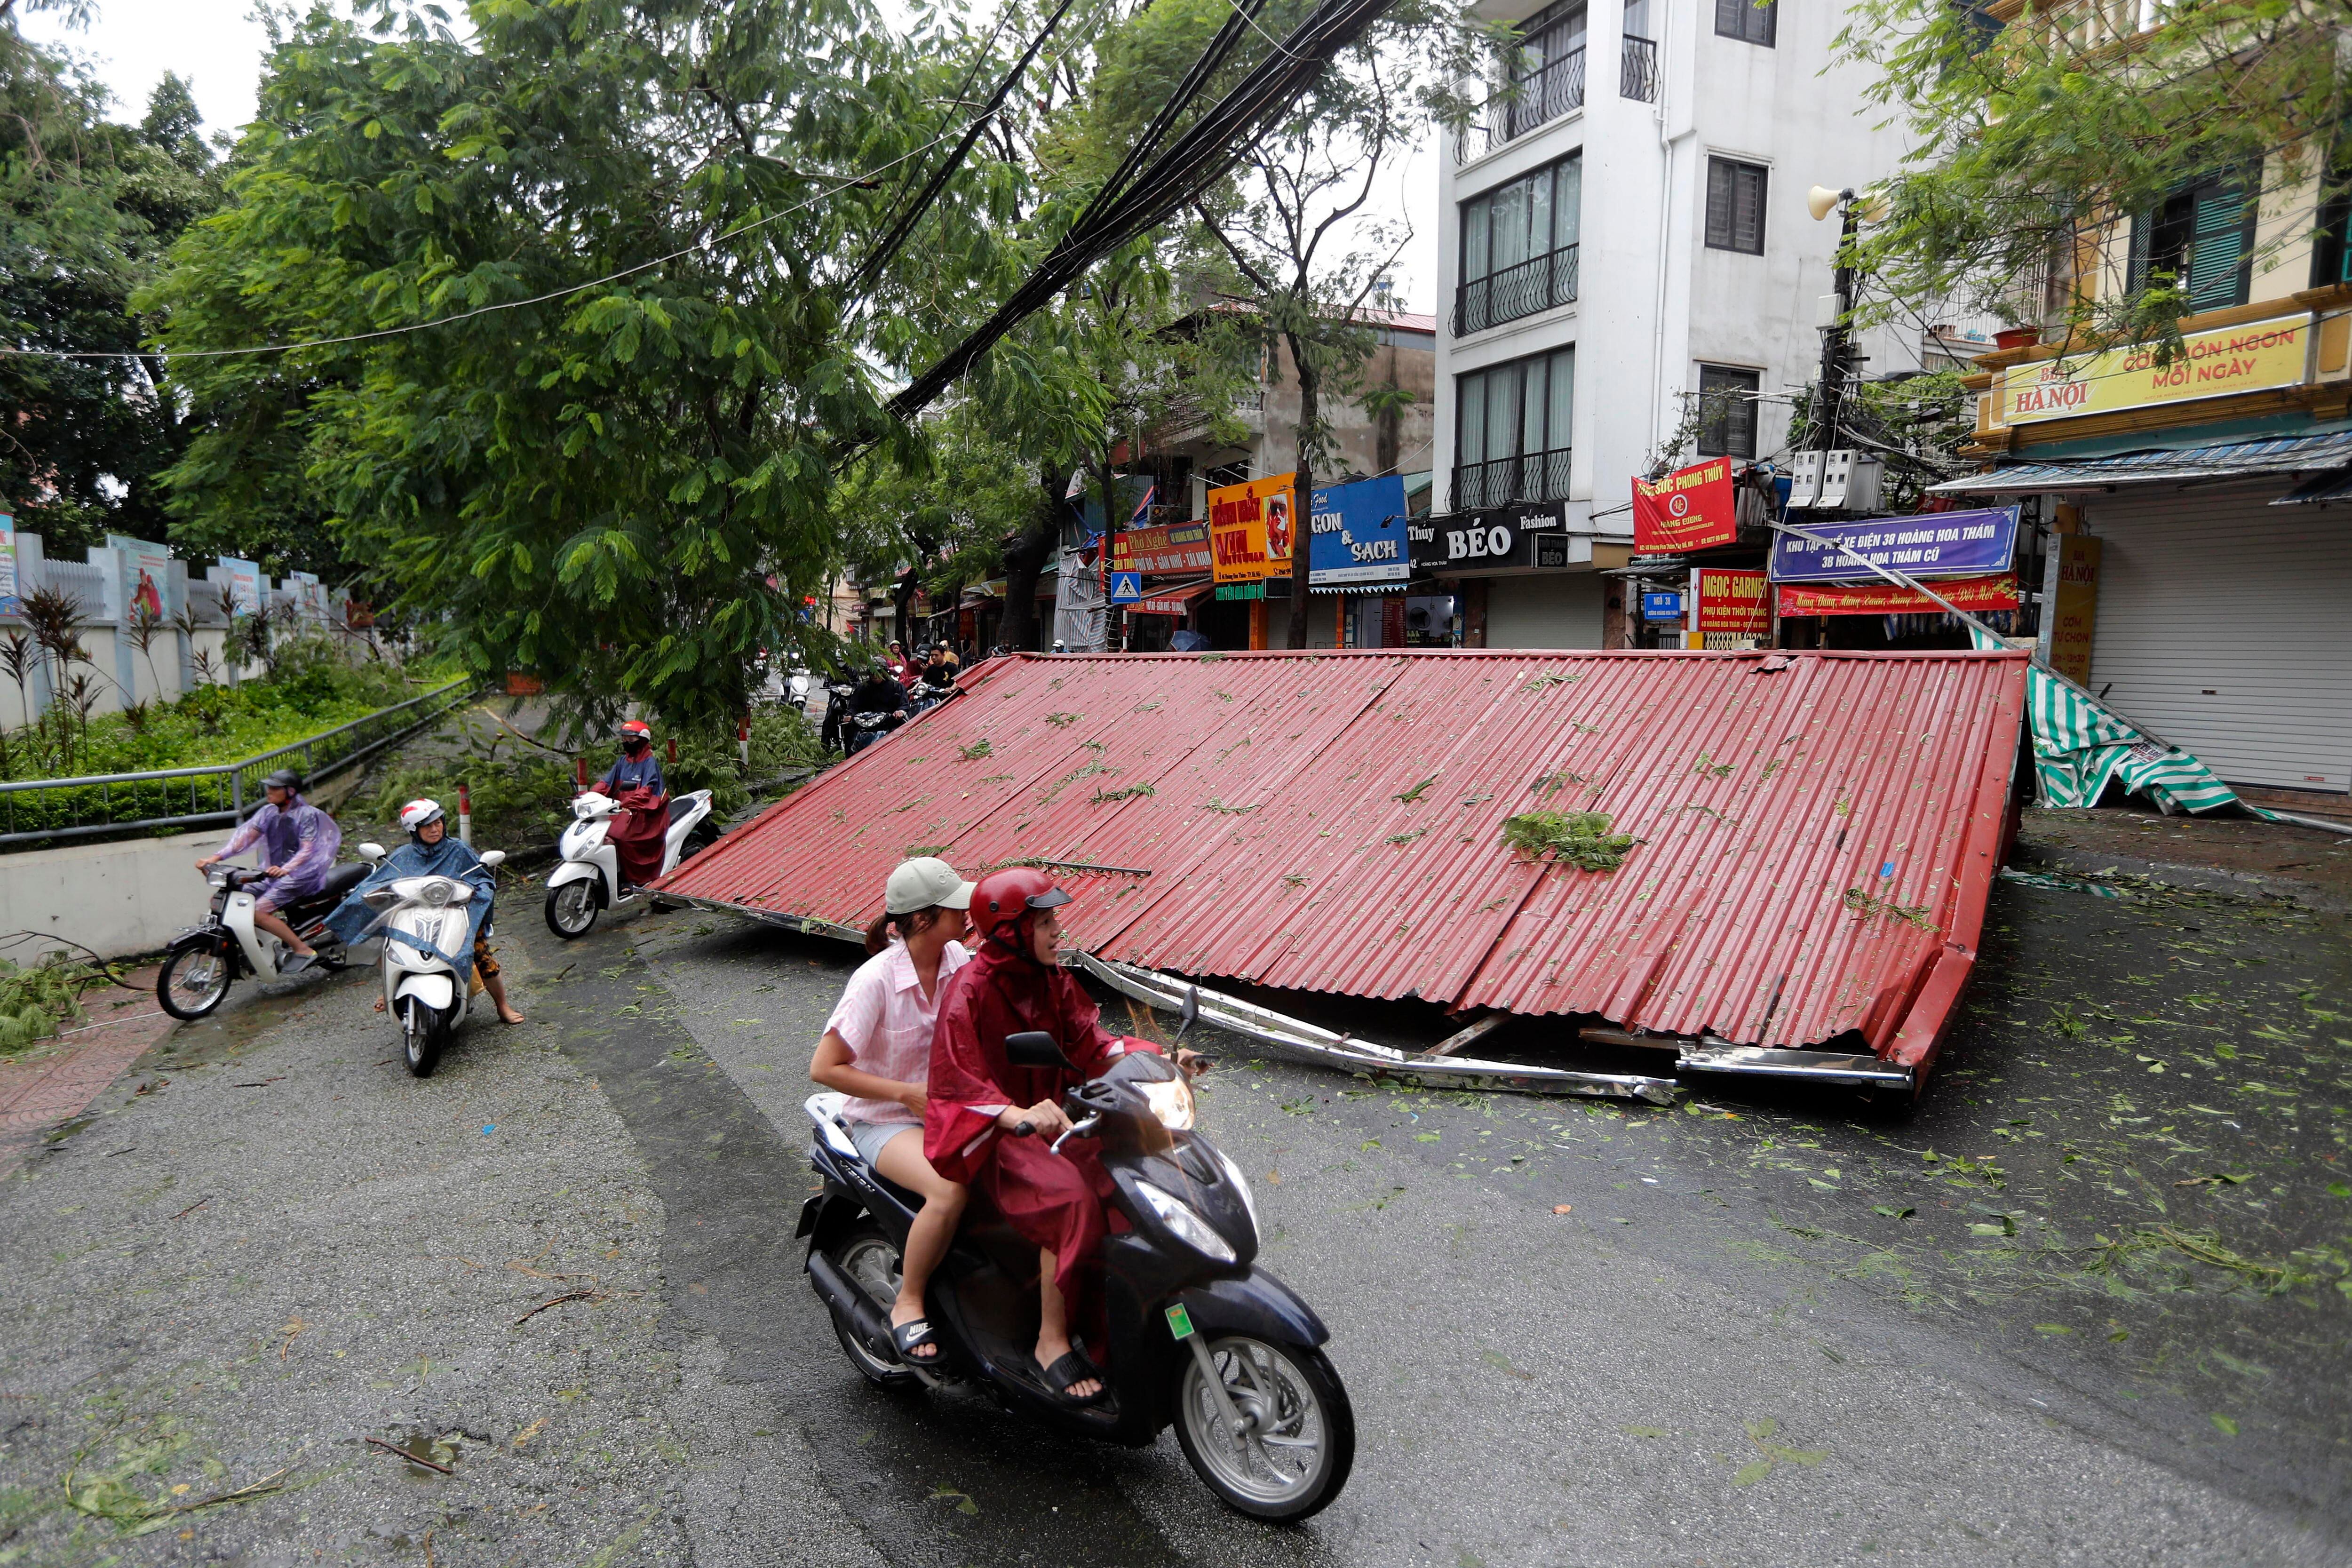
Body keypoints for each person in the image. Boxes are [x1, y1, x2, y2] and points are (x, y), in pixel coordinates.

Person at [925, 868, 1206, 1406]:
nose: (1058, 932)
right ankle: (1050, 1342)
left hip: (1059, 1121)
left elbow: (1092, 1044)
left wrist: (1161, 1060)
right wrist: (1013, 1115)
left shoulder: (1052, 979)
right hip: (997, 1136)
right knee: (1072, 1200)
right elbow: (954, 1083)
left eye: (1056, 921)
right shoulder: (971, 992)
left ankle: (1110, 1322)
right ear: (1009, 931)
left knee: (1132, 1176)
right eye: (1046, 922)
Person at [808, 857, 977, 1364]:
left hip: (949, 1114)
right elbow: (825, 1067)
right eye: (954, 907)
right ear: (923, 919)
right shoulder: (875, 980)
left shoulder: (959, 963)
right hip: (884, 1123)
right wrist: (905, 1095)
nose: (966, 912)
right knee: (948, 1191)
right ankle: (908, 1302)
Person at [325, 799, 525, 1025]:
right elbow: (379, 883)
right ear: (414, 830)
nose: (435, 829)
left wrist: (480, 892)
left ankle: (502, 1006)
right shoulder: (402, 856)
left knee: (482, 956)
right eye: (427, 825)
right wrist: (369, 896)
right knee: (385, 947)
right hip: (411, 919)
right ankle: (389, 988)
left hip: (455, 917)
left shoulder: (459, 851)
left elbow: (481, 878)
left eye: (439, 823)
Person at [196, 768, 341, 975]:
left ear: (290, 791)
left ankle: (303, 949)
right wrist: (216, 858)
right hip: (272, 873)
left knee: (259, 911)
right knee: (233, 897)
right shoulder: (268, 812)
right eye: (269, 787)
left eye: (275, 788)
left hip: (300, 875)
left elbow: (308, 849)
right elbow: (244, 839)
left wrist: (286, 869)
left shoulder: (307, 815)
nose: (269, 791)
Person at [591, 719, 667, 887]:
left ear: (642, 741)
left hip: (644, 815)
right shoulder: (622, 762)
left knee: (622, 837)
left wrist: (628, 802)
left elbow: (648, 791)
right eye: (624, 739)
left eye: (631, 740)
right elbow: (606, 784)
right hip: (622, 812)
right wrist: (588, 796)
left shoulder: (649, 763)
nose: (626, 742)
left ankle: (636, 881)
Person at [843, 662, 909, 755]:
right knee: (848, 730)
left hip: (888, 722)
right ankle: (849, 757)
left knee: (904, 729)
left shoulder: (896, 687)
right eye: (872, 673)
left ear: (884, 673)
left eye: (878, 672)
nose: (874, 675)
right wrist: (850, 715)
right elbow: (854, 705)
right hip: (866, 723)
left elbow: (904, 704)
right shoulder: (863, 688)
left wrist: (900, 712)